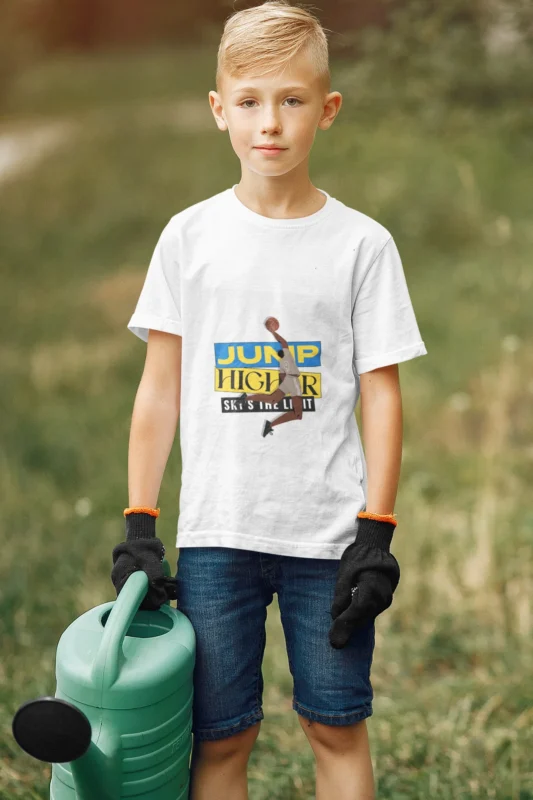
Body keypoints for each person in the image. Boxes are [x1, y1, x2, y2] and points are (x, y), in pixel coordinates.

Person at [111, 1, 428, 798]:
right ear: (219, 110)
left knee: (334, 723)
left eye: (291, 100)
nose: (270, 123)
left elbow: (379, 395)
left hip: (328, 539)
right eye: (249, 101)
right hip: (218, 534)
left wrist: (376, 532)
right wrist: (140, 523)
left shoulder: (362, 246)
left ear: (327, 110)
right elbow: (159, 391)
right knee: (222, 737)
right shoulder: (189, 239)